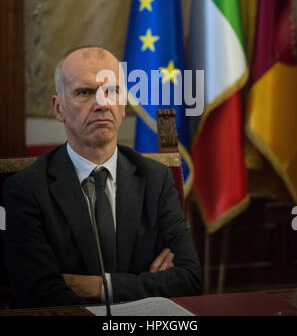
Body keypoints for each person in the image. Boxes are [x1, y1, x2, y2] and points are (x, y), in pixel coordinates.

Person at [3, 46, 201, 308]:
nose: (102, 103)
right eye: (84, 92)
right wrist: (144, 285)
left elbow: (189, 280)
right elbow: (38, 294)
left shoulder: (156, 178)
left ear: (122, 105)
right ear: (58, 107)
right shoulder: (25, 190)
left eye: (112, 91)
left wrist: (99, 286)